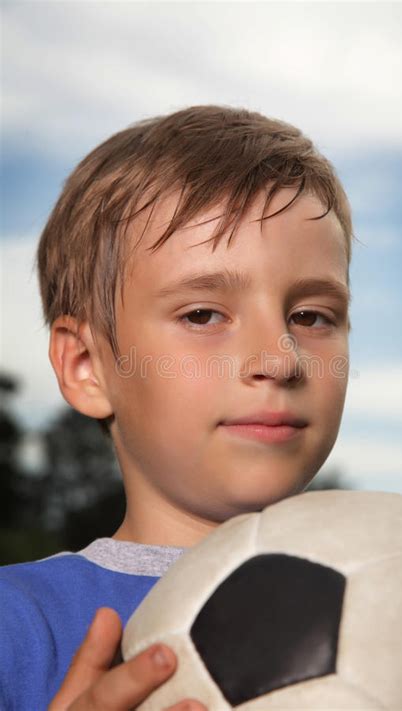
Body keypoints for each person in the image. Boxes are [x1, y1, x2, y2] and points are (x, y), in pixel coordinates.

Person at [0, 105, 353, 710]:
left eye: (311, 316)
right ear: (87, 368)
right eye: (202, 315)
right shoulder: (19, 626)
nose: (280, 357)